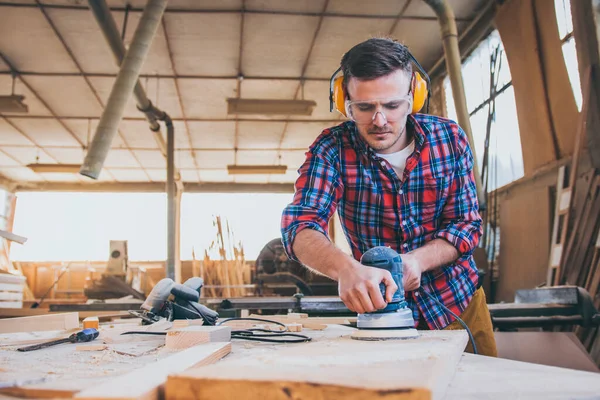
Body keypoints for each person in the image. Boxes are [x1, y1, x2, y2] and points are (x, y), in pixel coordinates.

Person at [280, 37, 497, 356]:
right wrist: (346, 269)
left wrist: (417, 262)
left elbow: (467, 225)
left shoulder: (449, 140)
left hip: (458, 306)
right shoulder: (332, 150)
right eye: (364, 107)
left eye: (392, 105)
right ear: (345, 103)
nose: (379, 121)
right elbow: (299, 226)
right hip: (379, 321)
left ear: (413, 97)